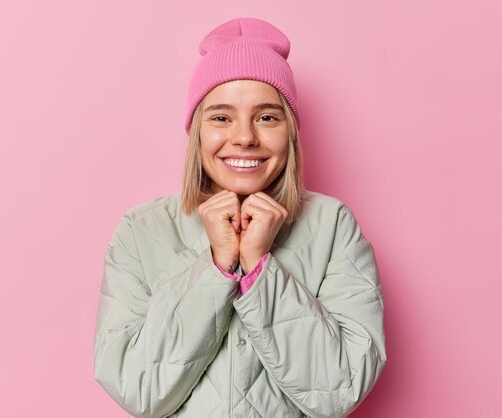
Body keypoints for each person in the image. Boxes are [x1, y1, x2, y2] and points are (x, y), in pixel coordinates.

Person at [93, 17, 386, 418]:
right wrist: (216, 266)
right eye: (220, 117)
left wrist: (260, 268)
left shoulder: (333, 226)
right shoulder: (142, 230)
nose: (245, 136)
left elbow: (339, 390)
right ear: (197, 131)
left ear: (290, 131)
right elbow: (140, 391)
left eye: (267, 117)